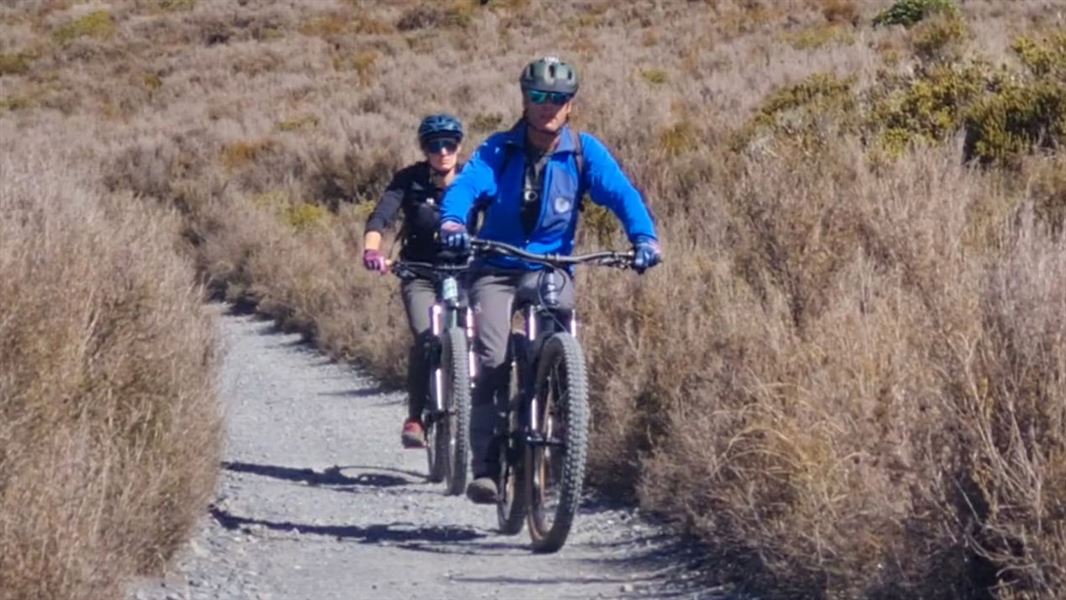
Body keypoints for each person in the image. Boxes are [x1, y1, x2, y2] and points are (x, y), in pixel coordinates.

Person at [437, 56, 663, 503]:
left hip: (551, 268)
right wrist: (453, 223)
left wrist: (644, 238)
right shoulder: (498, 149)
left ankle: (558, 426)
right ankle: (485, 464)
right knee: (494, 353)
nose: (547, 106)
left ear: (570, 105)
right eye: (538, 96)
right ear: (524, 99)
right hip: (497, 266)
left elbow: (621, 193)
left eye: (557, 99)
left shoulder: (583, 152)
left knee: (561, 338)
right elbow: (466, 186)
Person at [362, 113, 465, 449]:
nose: (443, 152)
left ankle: (482, 414)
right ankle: (416, 417)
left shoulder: (472, 180)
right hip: (418, 273)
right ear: (425, 149)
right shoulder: (409, 180)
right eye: (435, 146)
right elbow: (382, 216)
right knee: (426, 337)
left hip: (466, 272)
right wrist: (372, 250)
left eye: (450, 144)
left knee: (485, 338)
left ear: (459, 146)